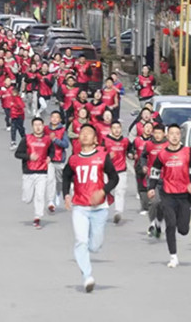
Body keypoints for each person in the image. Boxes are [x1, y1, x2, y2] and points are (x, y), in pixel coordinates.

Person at [62, 124, 119, 293]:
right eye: (82, 133)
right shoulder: (74, 159)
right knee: (81, 241)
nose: (85, 135)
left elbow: (114, 178)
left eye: (89, 133)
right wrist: (66, 195)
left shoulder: (102, 157)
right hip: (80, 206)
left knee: (94, 246)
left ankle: (89, 252)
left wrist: (103, 191)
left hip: (99, 208)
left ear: (95, 140)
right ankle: (87, 276)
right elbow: (66, 176)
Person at [148, 124, 191, 268]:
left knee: (183, 230)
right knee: (170, 224)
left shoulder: (188, 152)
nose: (175, 136)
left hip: (184, 195)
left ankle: (167, 216)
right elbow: (155, 172)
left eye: (177, 133)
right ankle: (173, 256)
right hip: (168, 194)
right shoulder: (162, 154)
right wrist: (151, 188)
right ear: (167, 135)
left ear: (180, 135)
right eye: (172, 133)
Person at [15, 117, 55, 229]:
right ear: (32, 127)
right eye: (35, 125)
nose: (38, 127)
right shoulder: (26, 139)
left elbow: (52, 151)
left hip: (42, 172)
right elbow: (17, 154)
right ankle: (28, 197)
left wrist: (50, 158)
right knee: (27, 199)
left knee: (40, 195)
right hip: (28, 172)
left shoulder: (47, 139)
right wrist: (29, 157)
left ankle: (37, 217)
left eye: (40, 125)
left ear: (43, 126)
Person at [140, 124, 168, 238]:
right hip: (152, 178)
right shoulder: (149, 145)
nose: (157, 135)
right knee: (154, 201)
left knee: (162, 203)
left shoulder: (168, 145)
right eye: (155, 133)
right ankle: (152, 223)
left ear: (164, 134)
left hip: (166, 178)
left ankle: (158, 222)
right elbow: (143, 156)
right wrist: (144, 165)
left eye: (159, 133)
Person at [102, 120, 130, 224]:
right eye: (114, 128)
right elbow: (100, 154)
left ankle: (118, 212)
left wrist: (131, 154)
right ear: (111, 129)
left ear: (121, 128)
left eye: (118, 128)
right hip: (107, 171)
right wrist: (108, 157)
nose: (117, 130)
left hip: (121, 170)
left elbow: (130, 150)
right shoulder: (105, 140)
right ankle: (103, 211)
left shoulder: (125, 141)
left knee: (120, 191)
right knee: (104, 191)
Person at [45, 110, 69, 212]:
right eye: (53, 117)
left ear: (60, 119)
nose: (54, 119)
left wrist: (55, 140)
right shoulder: (45, 129)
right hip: (49, 160)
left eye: (57, 117)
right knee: (50, 180)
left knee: (59, 181)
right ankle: (50, 201)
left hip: (60, 159)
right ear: (50, 118)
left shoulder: (63, 130)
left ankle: (58, 194)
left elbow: (66, 144)